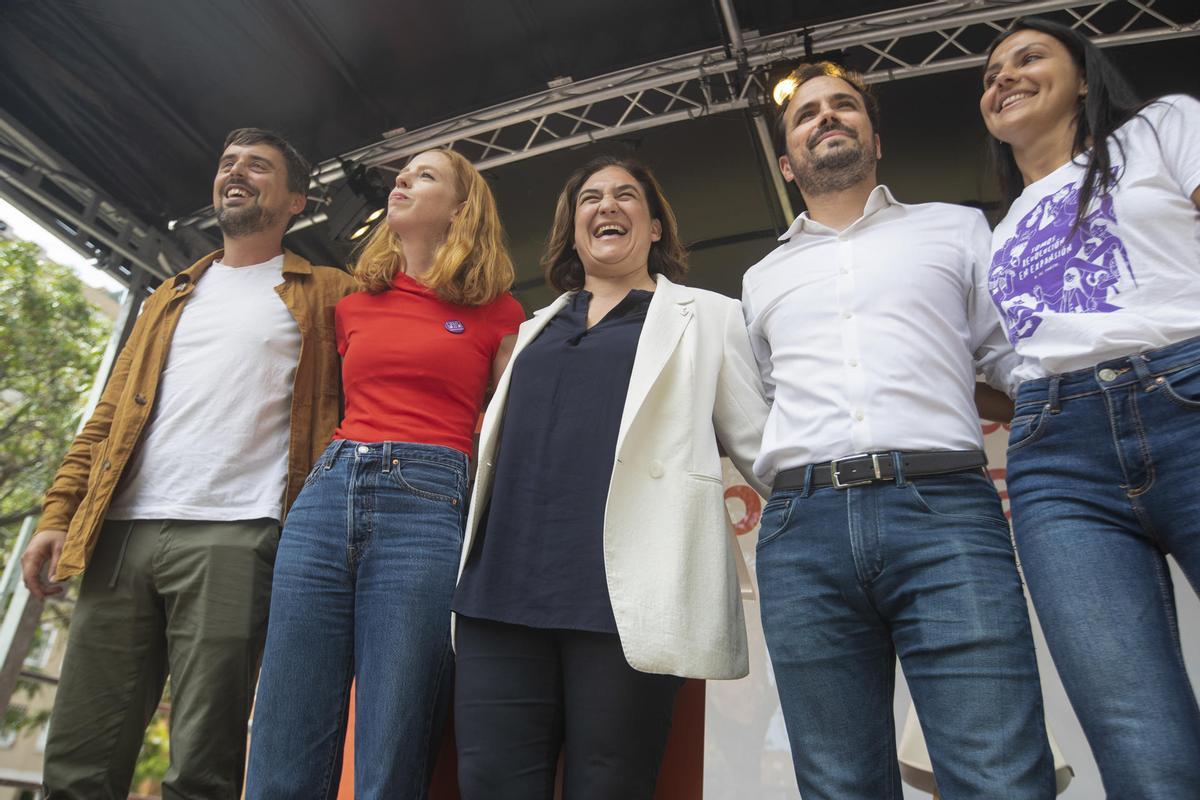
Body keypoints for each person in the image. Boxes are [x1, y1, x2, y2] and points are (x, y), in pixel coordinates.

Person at [743, 62, 1054, 799]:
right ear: (787, 163)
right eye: (807, 113)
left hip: (943, 510)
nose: (826, 116)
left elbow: (1016, 360)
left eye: (843, 106)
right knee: (839, 783)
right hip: (801, 528)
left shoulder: (956, 228)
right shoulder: (760, 279)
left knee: (996, 773)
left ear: (874, 139)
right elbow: (769, 396)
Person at [18, 128, 354, 799]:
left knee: (204, 760)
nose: (236, 173)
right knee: (79, 757)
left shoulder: (328, 292)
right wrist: (59, 513)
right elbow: (109, 418)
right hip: (121, 532)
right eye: (228, 164)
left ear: (295, 202)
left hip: (239, 533)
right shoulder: (168, 295)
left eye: (258, 166)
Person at [450, 154, 769, 800]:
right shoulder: (532, 327)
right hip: (498, 598)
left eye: (627, 196)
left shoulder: (708, 317)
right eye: (590, 198)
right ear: (574, 230)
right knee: (490, 786)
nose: (607, 205)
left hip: (624, 605)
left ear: (654, 229)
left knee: (610, 787)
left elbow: (760, 447)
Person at [244, 148, 524, 800]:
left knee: (393, 732)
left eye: (424, 176)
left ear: (461, 210)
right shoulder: (351, 303)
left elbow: (509, 435)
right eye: (403, 172)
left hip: (428, 502)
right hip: (328, 491)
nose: (401, 179)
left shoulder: (498, 310)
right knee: (286, 721)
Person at [980, 17, 1200, 796]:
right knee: (1134, 729)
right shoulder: (996, 235)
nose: (1002, 77)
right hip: (1057, 455)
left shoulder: (1163, 127)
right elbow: (992, 368)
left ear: (1083, 76)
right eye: (991, 73)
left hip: (1187, 389)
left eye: (1028, 59)